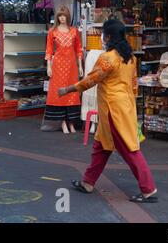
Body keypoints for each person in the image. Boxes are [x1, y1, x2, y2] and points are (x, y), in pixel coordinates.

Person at [58, 19, 158, 203]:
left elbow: (91, 80)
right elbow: (134, 85)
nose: (102, 37)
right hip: (124, 107)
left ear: (109, 36)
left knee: (129, 149)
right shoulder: (130, 57)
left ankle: (148, 189)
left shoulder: (107, 58)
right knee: (101, 147)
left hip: (113, 110)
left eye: (103, 33)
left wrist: (68, 89)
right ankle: (88, 182)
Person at [44, 6, 83, 134]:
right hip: (58, 66)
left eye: (64, 16)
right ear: (57, 17)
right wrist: (49, 66)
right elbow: (49, 50)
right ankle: (63, 123)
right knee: (58, 93)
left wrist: (80, 66)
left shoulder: (74, 31)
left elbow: (78, 49)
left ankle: (71, 123)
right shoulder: (52, 31)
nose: (62, 18)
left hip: (72, 66)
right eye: (60, 16)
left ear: (68, 17)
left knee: (72, 93)